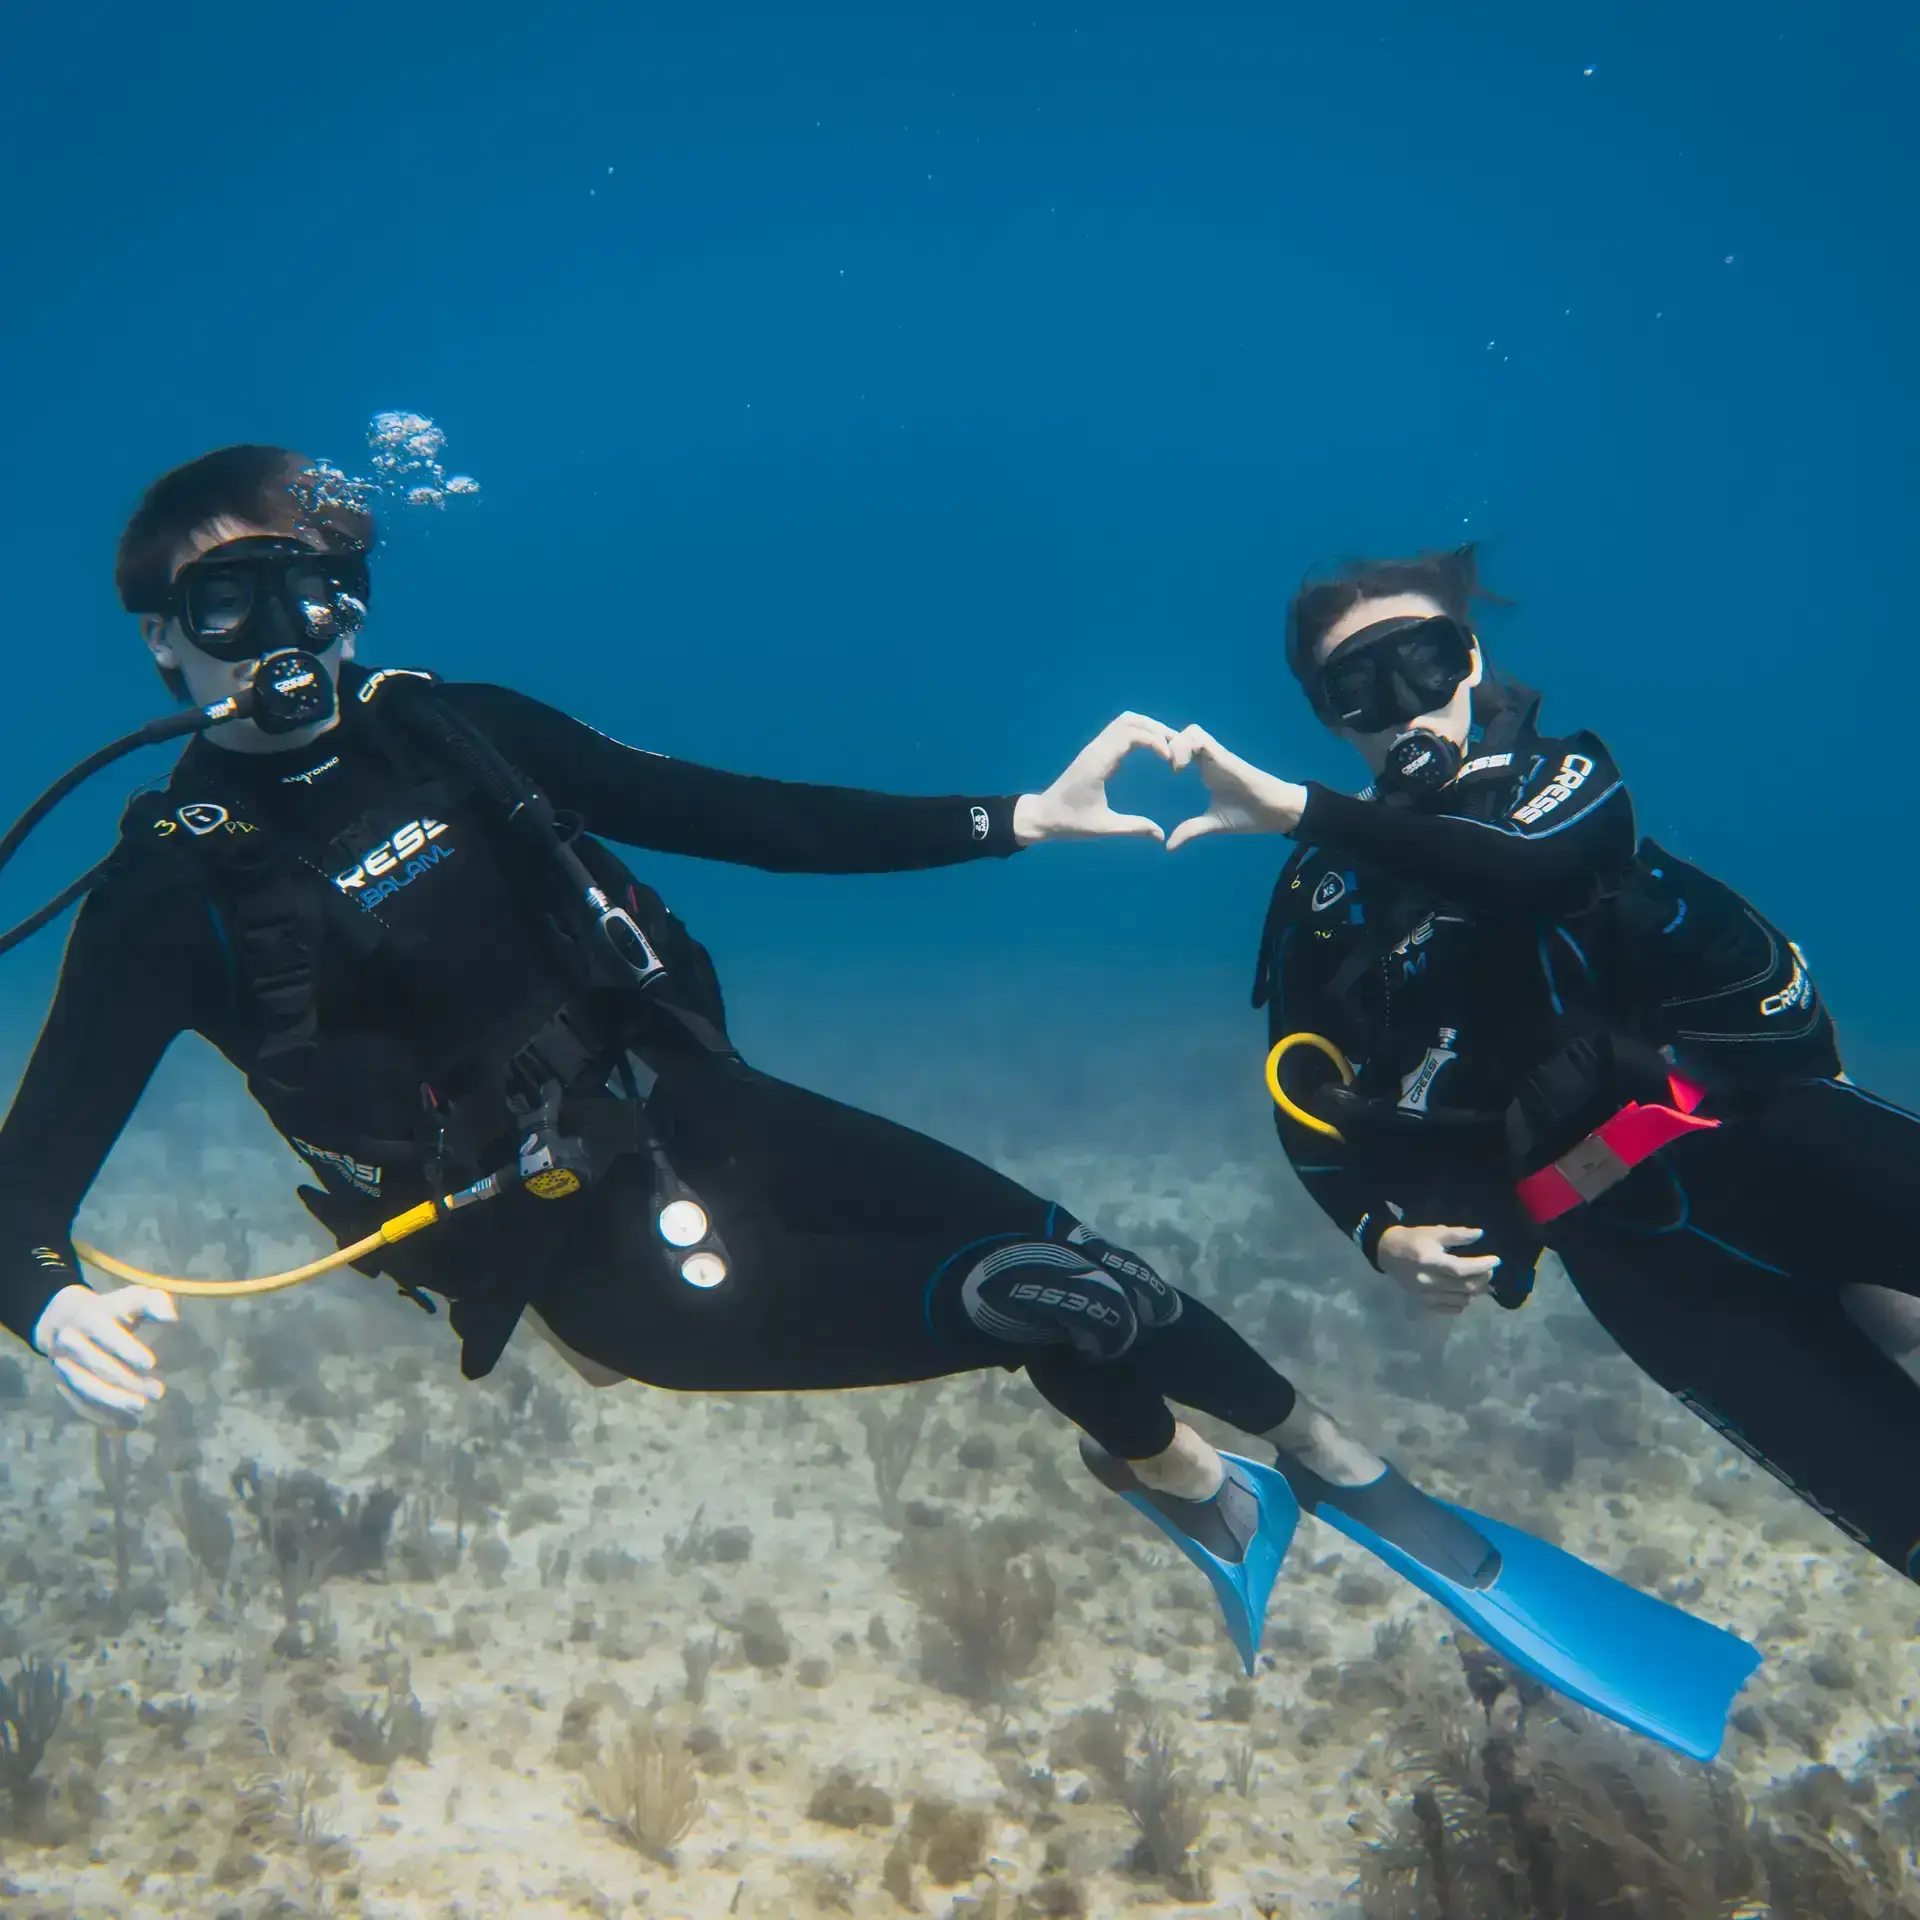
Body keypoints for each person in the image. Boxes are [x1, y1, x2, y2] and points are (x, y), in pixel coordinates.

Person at [0, 462, 1757, 1745]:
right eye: (227, 615)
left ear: (354, 605)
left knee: (1075, 1253)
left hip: (705, 1104)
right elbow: (22, 1191)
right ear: (163, 648)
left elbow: (755, 813)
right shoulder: (171, 891)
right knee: (1046, 1301)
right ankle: (1213, 1471)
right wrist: (45, 1297)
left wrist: (1015, 816)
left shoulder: (457, 731)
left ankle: (1286, 1478)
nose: (282, 641)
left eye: (310, 595)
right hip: (575, 1256)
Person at [1165, 542, 1920, 1585]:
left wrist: (1305, 810)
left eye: (1424, 664)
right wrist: (1381, 1238)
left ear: (1472, 662)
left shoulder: (1562, 780)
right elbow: (1303, 1091)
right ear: (1329, 717)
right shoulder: (1325, 895)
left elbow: (1531, 871)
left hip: (1786, 1145)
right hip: (1641, 1266)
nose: (1400, 706)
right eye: (1357, 687)